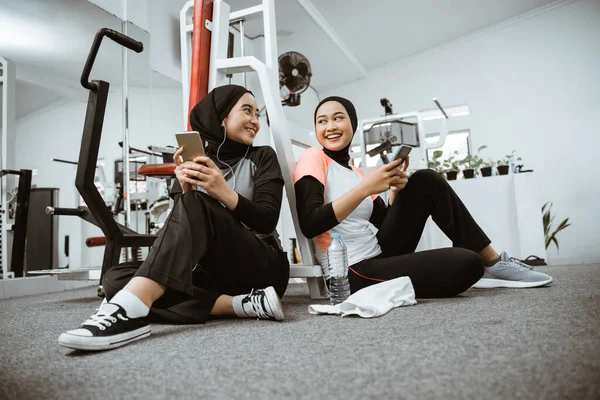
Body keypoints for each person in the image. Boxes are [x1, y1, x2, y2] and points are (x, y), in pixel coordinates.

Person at [59, 85, 290, 351]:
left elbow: (267, 220)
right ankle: (243, 305)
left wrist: (222, 192)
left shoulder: (262, 157)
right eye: (247, 111)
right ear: (221, 118)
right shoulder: (196, 164)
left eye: (257, 114)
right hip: (216, 274)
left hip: (262, 266)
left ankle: (128, 311)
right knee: (115, 278)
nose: (255, 121)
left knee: (133, 287)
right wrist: (185, 191)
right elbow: (180, 240)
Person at [294, 96, 553, 298]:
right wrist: (366, 188)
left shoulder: (356, 172)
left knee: (425, 180)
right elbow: (310, 223)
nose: (330, 127)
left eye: (338, 118)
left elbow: (384, 225)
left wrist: (394, 190)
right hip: (351, 270)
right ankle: (483, 264)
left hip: (379, 252)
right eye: (322, 121)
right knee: (467, 264)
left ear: (352, 123)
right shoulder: (313, 158)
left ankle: (494, 261)